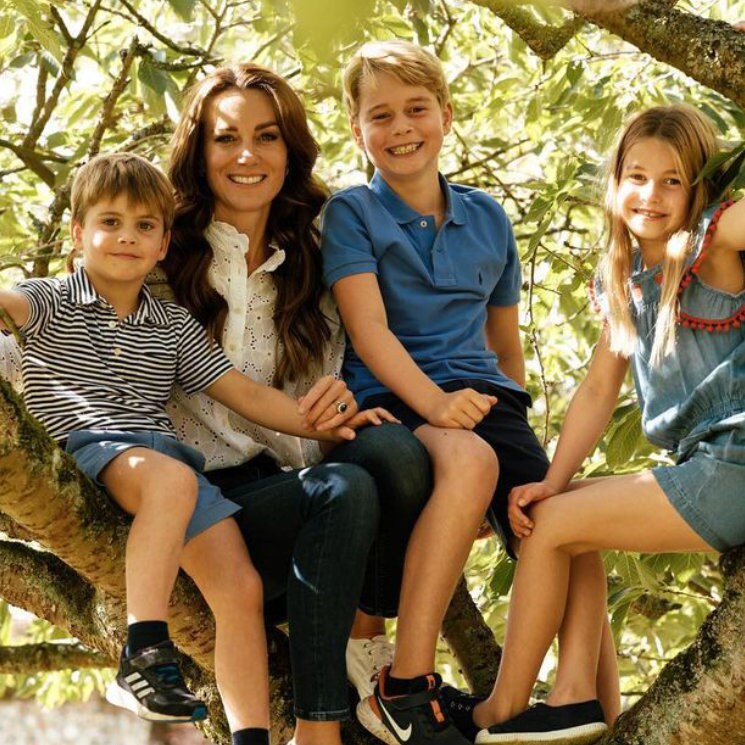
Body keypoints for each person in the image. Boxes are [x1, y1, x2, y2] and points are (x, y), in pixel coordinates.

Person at [0, 152, 390, 745]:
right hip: (89, 450)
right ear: (79, 234)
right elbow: (9, 304)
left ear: (163, 244)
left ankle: (250, 735)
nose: (126, 237)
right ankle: (143, 650)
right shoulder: (51, 299)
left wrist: (331, 425)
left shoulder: (172, 323)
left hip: (163, 466)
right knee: (174, 481)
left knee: (241, 589)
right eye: (110, 223)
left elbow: (245, 395)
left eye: (144, 226)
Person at [161, 62, 433, 745]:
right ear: (198, 151)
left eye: (268, 136)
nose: (247, 155)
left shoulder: (319, 246)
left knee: (397, 453)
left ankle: (366, 647)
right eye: (226, 139)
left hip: (309, 510)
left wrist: (347, 404)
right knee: (339, 489)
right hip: (207, 513)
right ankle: (319, 729)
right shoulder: (159, 245)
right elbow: (57, 318)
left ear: (292, 150)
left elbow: (409, 329)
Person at [320, 39, 572, 745]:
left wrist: (521, 430)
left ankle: (574, 694)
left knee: (563, 517)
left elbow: (504, 343)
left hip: (487, 402)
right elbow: (368, 332)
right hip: (399, 399)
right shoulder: (352, 214)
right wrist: (433, 405)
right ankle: (404, 682)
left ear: (446, 115)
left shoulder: (487, 217)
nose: (400, 128)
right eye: (380, 115)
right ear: (356, 129)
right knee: (468, 464)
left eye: (415, 109)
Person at [470, 104, 745, 744]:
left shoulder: (713, 240)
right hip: (703, 468)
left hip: (734, 462)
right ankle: (591, 707)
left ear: (699, 185)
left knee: (553, 526)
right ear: (615, 182)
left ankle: (504, 709)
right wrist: (553, 480)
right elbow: (598, 389)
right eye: (637, 176)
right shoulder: (624, 276)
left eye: (672, 179)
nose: (651, 194)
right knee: (556, 513)